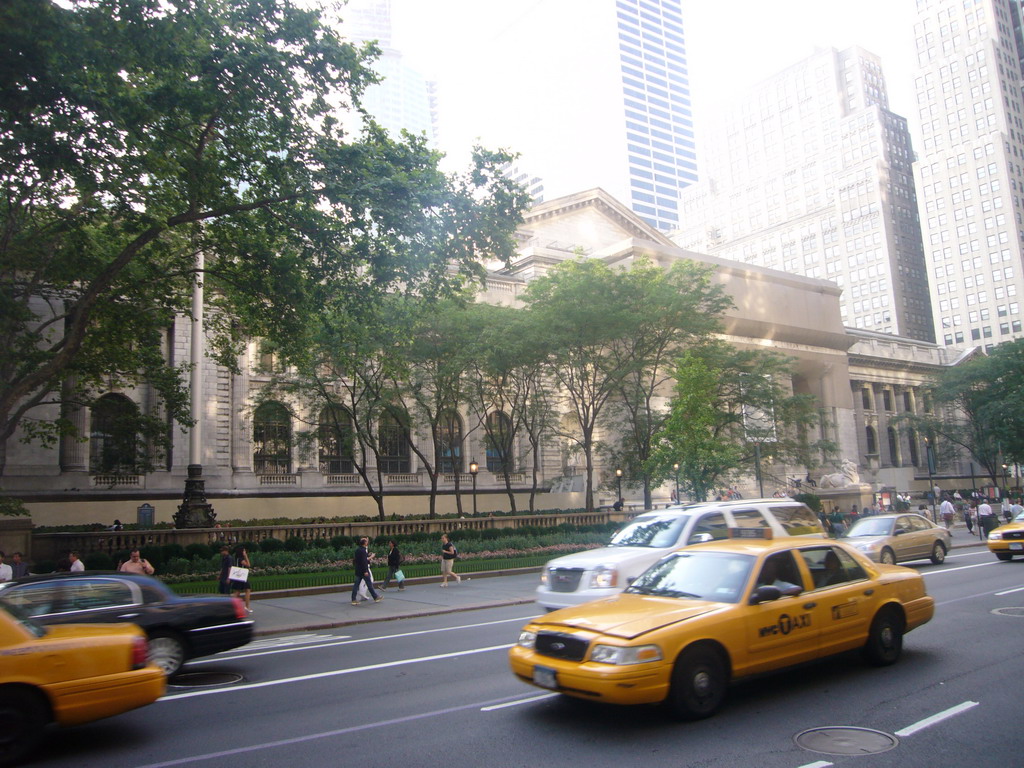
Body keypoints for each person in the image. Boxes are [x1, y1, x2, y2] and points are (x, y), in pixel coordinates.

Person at [351, 537, 382, 605]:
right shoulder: (363, 551)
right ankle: (376, 597)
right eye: (366, 542)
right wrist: (365, 571)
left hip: (358, 570)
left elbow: (358, 560)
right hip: (363, 570)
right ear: (364, 543)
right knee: (369, 584)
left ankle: (353, 599)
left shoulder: (358, 550)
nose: (367, 543)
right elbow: (364, 561)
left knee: (356, 585)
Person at [231, 545, 252, 613]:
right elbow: (248, 565)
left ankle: (232, 605)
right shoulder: (241, 559)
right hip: (242, 576)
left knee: (238, 591)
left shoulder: (237, 558)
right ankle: (247, 606)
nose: (245, 552)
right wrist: (246, 556)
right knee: (247, 590)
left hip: (238, 576)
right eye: (244, 551)